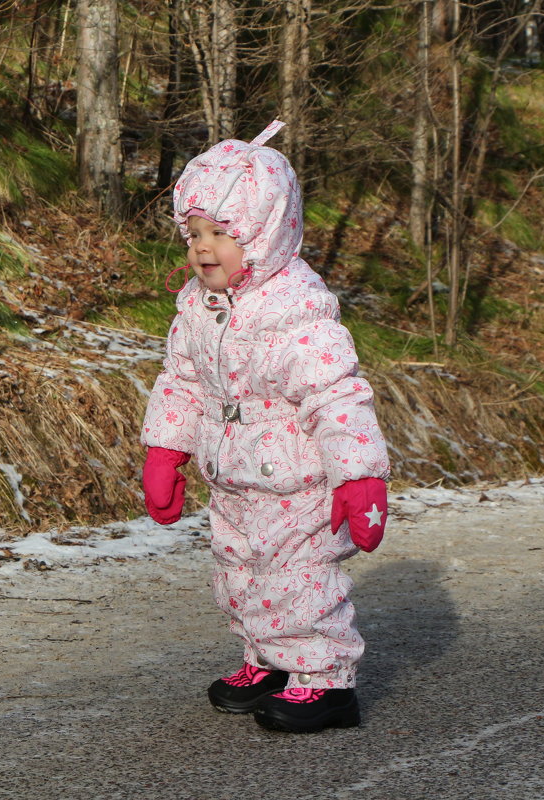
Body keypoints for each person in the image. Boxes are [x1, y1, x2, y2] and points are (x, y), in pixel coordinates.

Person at [140, 120, 390, 734]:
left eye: (222, 233)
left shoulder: (298, 311)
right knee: (238, 571)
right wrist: (166, 450)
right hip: (233, 475)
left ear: (266, 234)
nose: (202, 247)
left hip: (299, 480)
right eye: (194, 232)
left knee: (297, 577)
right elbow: (182, 381)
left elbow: (337, 396)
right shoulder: (198, 309)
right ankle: (269, 661)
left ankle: (326, 679)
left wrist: (359, 479)